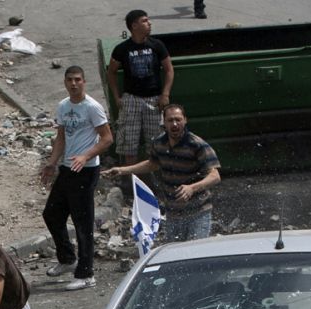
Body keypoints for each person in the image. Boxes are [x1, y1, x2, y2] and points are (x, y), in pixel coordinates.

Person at [40, 66, 113, 291]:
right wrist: (52, 162)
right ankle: (67, 259)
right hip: (67, 168)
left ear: (84, 82)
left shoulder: (92, 107)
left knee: (82, 223)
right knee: (52, 214)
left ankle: (86, 273)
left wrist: (85, 155)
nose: (74, 84)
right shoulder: (63, 106)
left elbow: (107, 138)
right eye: (70, 80)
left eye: (78, 80)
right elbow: (61, 138)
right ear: (65, 82)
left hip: (87, 169)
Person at [103, 103, 221, 242]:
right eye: (170, 120)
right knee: (175, 255)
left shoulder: (197, 145)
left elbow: (215, 176)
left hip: (198, 212)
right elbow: (153, 164)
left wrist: (192, 188)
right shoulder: (159, 143)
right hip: (173, 213)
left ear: (185, 120)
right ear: (164, 123)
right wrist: (123, 170)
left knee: (194, 254)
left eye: (178, 119)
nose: (175, 124)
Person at [106, 10, 174, 166]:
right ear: (134, 25)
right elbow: (111, 72)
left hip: (154, 100)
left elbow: (169, 70)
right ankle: (130, 183)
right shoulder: (122, 49)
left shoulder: (157, 45)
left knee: (156, 145)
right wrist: (117, 97)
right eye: (145, 21)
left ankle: (155, 184)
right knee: (129, 146)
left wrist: (165, 94)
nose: (149, 23)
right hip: (131, 100)